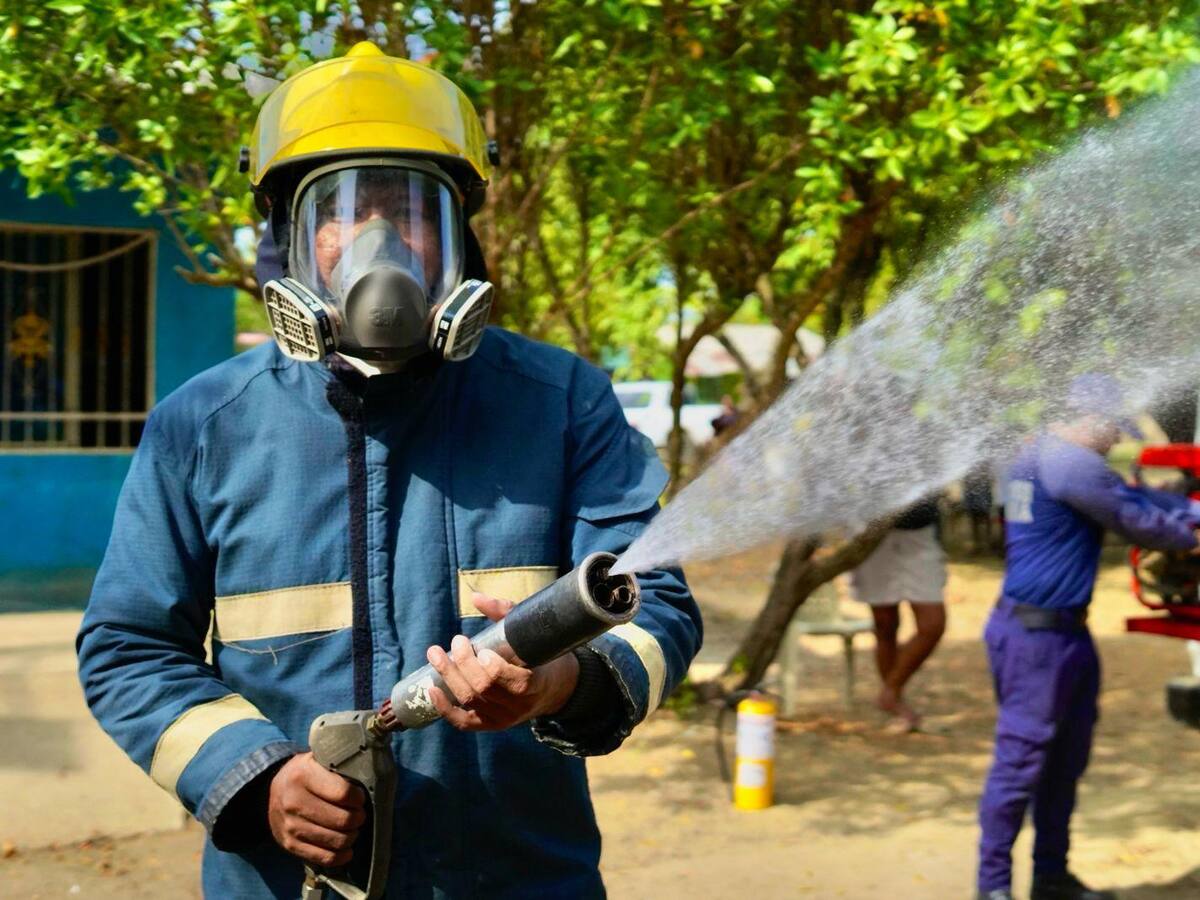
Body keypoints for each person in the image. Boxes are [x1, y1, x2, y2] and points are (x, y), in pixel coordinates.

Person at [76, 43, 701, 899]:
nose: (378, 240)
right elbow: (129, 645)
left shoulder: (560, 402)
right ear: (290, 236)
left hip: (516, 880)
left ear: (459, 235)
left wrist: (561, 682)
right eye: (340, 208)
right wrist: (254, 779)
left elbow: (655, 601)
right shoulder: (204, 425)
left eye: (410, 207)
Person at [976, 374, 1200, 900]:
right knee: (1020, 766)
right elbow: (1137, 521)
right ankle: (992, 889)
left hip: (1061, 635)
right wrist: (1190, 531)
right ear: (1089, 418)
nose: (1115, 439)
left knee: (1064, 763)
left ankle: (1051, 878)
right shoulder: (1070, 464)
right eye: (1111, 427)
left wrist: (1190, 511)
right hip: (1037, 641)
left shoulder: (1049, 457)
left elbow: (1134, 496)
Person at [850, 493, 947, 731]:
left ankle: (890, 691)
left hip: (920, 531)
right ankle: (896, 704)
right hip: (872, 532)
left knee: (932, 625)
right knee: (885, 625)